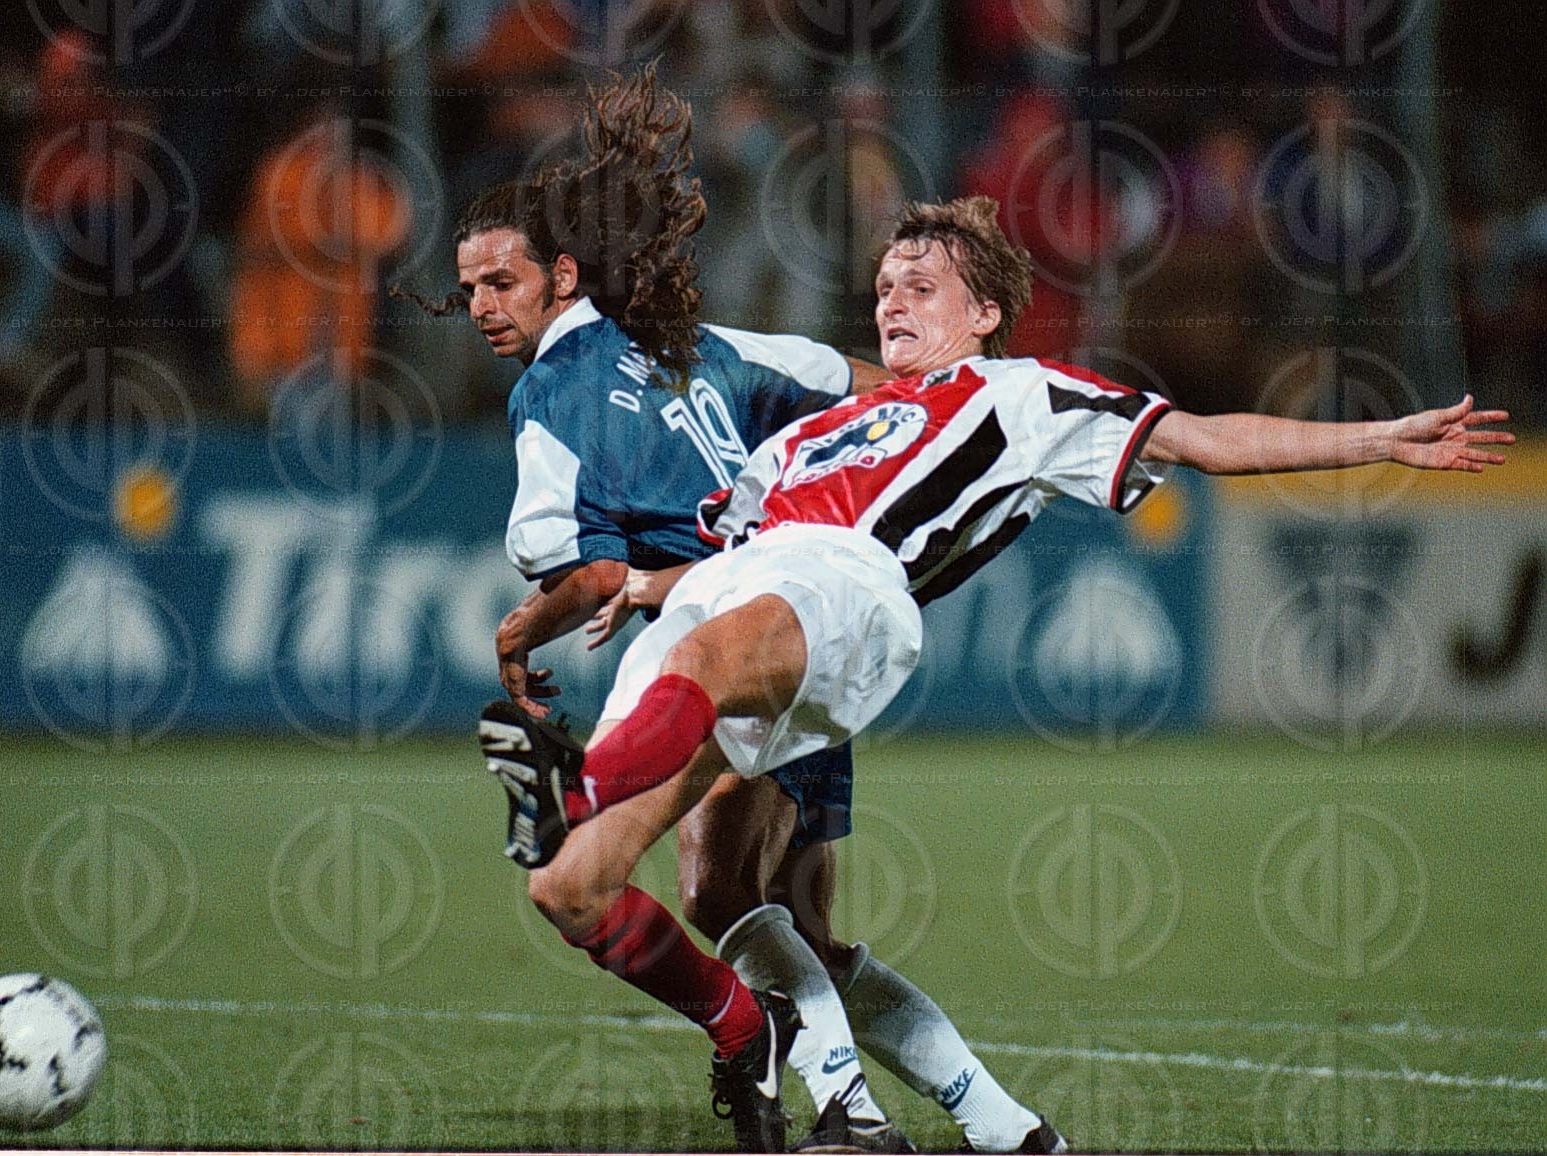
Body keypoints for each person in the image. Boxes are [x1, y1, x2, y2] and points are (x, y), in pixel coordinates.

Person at [480, 193, 1514, 1148]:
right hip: (741, 593)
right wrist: (644, 584)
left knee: (703, 706)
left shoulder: (1024, 393)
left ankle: (577, 791)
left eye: (920, 286)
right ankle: (983, 1120)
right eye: (883, 285)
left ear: (982, 315)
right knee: (573, 885)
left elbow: (1204, 439)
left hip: (847, 590)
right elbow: (731, 552)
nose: (891, 301)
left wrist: (1382, 437)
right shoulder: (807, 438)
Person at [447, 68, 1060, 1155]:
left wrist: (515, 633)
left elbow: (586, 574)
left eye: (502, 282)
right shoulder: (711, 349)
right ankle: (999, 1124)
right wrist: (976, 423)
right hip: (815, 629)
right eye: (470, 290)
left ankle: (849, 1111)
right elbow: (868, 387)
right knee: (789, 919)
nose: (484, 306)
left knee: (710, 893)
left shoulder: (551, 393)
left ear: (565, 278)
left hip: (736, 648)